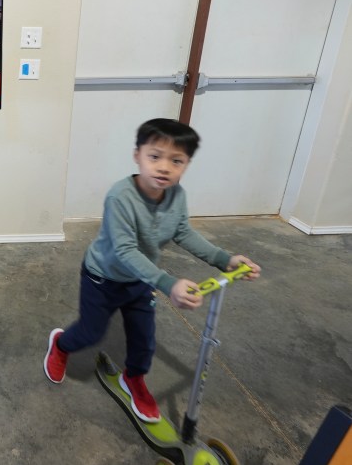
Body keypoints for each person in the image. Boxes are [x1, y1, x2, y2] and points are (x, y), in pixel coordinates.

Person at [43, 119, 261, 424]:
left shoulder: (177, 195)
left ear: (186, 164)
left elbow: (183, 232)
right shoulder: (120, 197)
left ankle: (133, 378)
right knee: (90, 333)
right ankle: (60, 344)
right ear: (137, 156)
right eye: (154, 156)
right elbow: (124, 250)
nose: (164, 167)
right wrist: (168, 282)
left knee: (145, 339)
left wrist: (224, 260)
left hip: (140, 281)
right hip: (102, 278)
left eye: (176, 161)